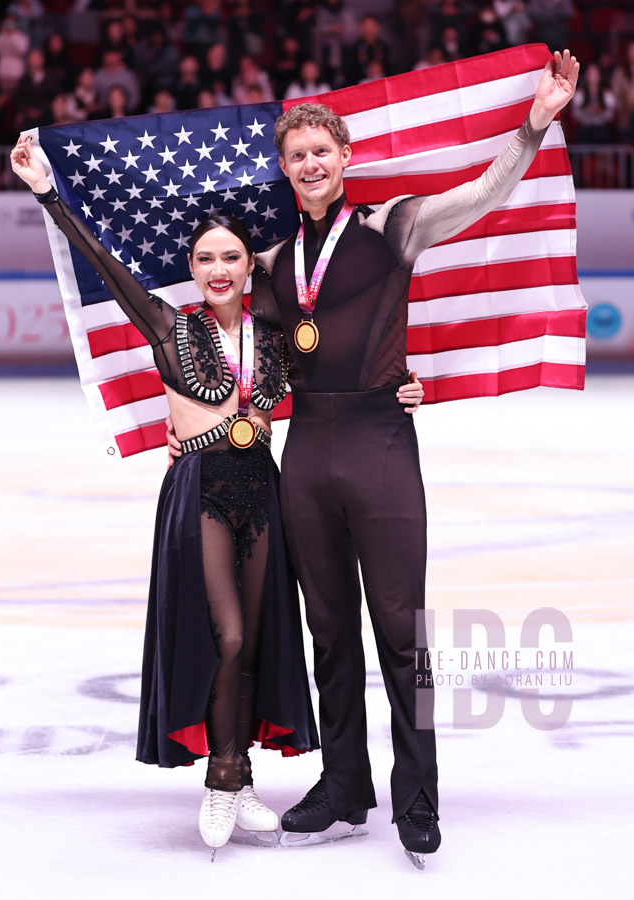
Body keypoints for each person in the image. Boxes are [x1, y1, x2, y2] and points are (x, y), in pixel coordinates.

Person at [167, 47, 580, 869]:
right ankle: (344, 785)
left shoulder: (394, 223)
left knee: (401, 634)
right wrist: (198, 424)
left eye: (323, 152)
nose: (311, 164)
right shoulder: (274, 266)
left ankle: (417, 798)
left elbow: (482, 195)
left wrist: (532, 128)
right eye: (296, 156)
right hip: (309, 449)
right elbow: (240, 351)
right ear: (283, 170)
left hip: (382, 446)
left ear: (345, 158)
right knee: (329, 632)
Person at [10, 135, 319, 860]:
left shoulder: (274, 336)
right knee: (227, 637)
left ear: (250, 267)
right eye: (205, 258)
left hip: (261, 490)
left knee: (257, 639)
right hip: (200, 490)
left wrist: (402, 383)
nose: (217, 268)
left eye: (231, 257)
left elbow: (346, 358)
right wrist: (48, 193)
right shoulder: (168, 326)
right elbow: (103, 263)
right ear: (191, 268)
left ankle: (239, 774)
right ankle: (220, 778)